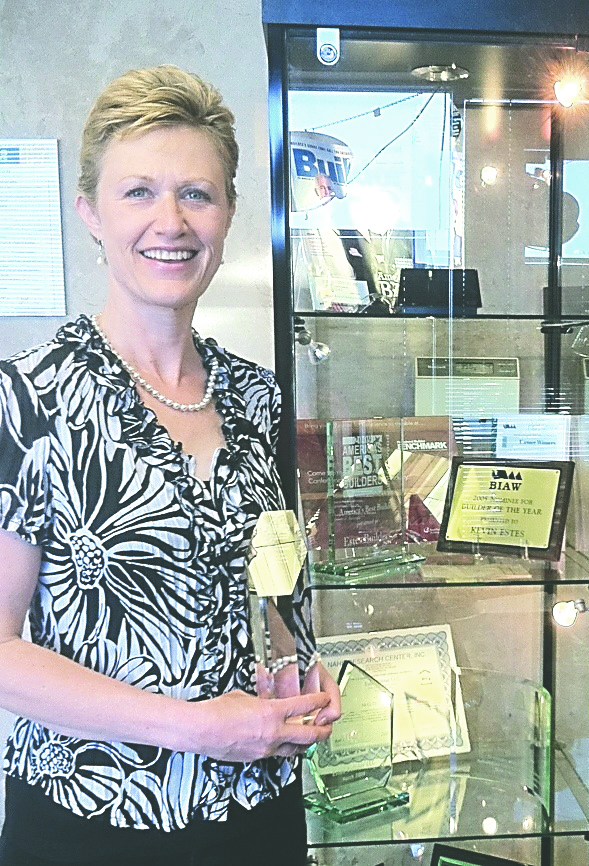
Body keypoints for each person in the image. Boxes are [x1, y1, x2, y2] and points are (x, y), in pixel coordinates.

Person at [0, 66, 341, 865]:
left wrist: (302, 675)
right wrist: (194, 727)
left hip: (258, 813)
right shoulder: (25, 398)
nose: (172, 222)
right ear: (90, 212)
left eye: (196, 194)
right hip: (92, 825)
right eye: (138, 192)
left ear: (227, 214)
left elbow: (273, 589)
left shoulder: (257, 397)